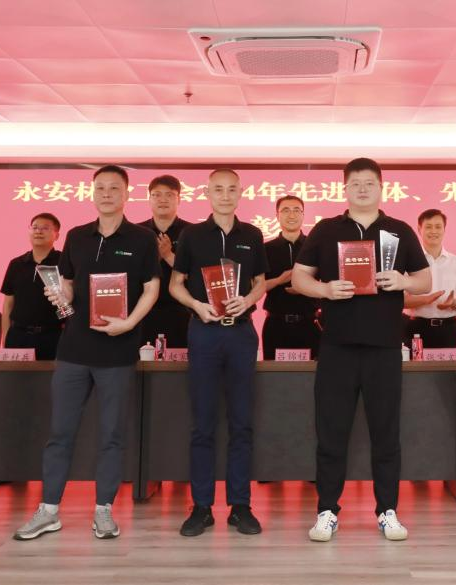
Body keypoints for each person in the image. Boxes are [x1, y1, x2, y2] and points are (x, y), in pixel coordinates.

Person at [14, 165, 160, 541]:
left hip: (119, 350)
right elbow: (68, 284)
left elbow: (151, 288)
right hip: (74, 350)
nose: (106, 194)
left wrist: (130, 323)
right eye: (100, 188)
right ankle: (49, 510)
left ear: (127, 194)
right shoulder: (77, 236)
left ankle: (104, 511)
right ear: (92, 193)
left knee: (111, 434)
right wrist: (59, 294)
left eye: (114, 188)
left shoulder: (143, 239)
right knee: (60, 432)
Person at [292, 158, 431, 542]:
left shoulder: (399, 230)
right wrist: (324, 289)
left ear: (381, 187)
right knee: (331, 432)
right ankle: (327, 510)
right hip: (337, 347)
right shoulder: (326, 229)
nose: (363, 189)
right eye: (355, 183)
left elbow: (424, 280)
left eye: (370, 183)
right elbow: (300, 277)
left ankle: (388, 511)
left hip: (384, 348)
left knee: (386, 433)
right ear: (345, 189)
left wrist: (403, 280)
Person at [170, 168, 268, 537]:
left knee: (242, 422)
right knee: (203, 423)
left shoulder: (252, 235)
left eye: (231, 190)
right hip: (204, 333)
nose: (225, 196)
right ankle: (201, 507)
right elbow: (175, 284)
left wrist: (249, 300)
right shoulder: (192, 235)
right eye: (218, 190)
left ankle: (240, 506)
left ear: (240, 193)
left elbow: (260, 282)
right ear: (207, 194)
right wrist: (196, 305)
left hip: (241, 333)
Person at [402, 209, 456, 357]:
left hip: (449, 330)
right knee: (415, 371)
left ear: (444, 229)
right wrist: (425, 300)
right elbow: (401, 301)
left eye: (438, 226)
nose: (433, 231)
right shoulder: (408, 262)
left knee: (451, 372)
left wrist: (454, 303)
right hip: (417, 329)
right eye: (428, 227)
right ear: (419, 229)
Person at [262, 195, 319, 360]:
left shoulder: (315, 247)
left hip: (310, 324)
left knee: (312, 373)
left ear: (303, 215)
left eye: (296, 210)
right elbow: (254, 287)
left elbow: (328, 283)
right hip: (276, 325)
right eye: (285, 210)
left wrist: (305, 287)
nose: (291, 215)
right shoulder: (265, 249)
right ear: (277, 215)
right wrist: (279, 280)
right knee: (274, 374)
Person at [0, 213, 63, 360]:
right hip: (18, 336)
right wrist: (6, 337)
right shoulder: (16, 264)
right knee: (17, 375)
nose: (38, 231)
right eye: (35, 227)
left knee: (53, 375)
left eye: (45, 228)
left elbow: (70, 303)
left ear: (57, 235)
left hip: (53, 336)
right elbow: (8, 304)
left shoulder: (64, 261)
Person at [138, 174, 192, 349]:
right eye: (157, 195)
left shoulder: (193, 233)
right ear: (149, 199)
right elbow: (128, 274)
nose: (163, 200)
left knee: (181, 362)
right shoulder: (136, 233)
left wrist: (168, 255)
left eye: (169, 195)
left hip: (183, 312)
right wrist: (153, 259)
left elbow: (198, 275)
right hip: (142, 312)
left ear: (179, 199)